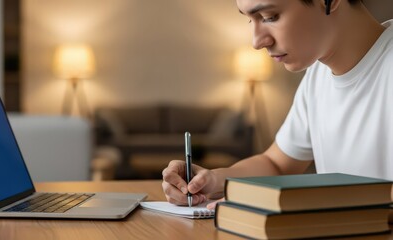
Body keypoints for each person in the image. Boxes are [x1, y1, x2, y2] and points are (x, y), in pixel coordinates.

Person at [162, 0, 393, 210]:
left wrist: (303, 202)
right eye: (249, 19)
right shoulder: (317, 77)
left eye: (270, 17)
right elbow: (277, 164)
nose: (257, 41)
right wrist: (213, 180)